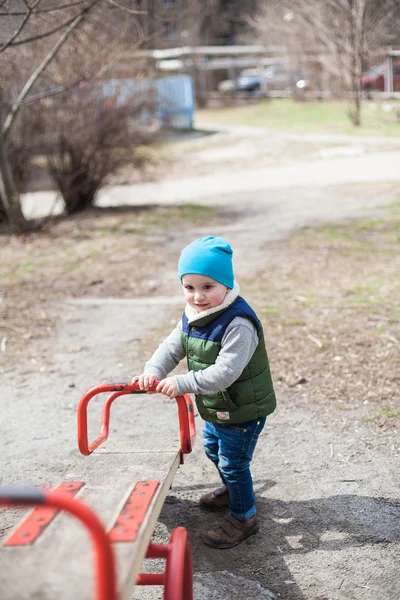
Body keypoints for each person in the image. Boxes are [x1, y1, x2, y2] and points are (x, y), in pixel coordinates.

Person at [132, 236, 276, 549]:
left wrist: (183, 382)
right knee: (213, 448)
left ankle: (244, 515)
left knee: (233, 462)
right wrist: (153, 370)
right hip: (218, 405)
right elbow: (173, 345)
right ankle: (232, 489)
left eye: (208, 286)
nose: (198, 296)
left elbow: (226, 372)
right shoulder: (194, 314)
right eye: (190, 287)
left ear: (226, 283)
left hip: (242, 407)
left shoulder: (238, 322)